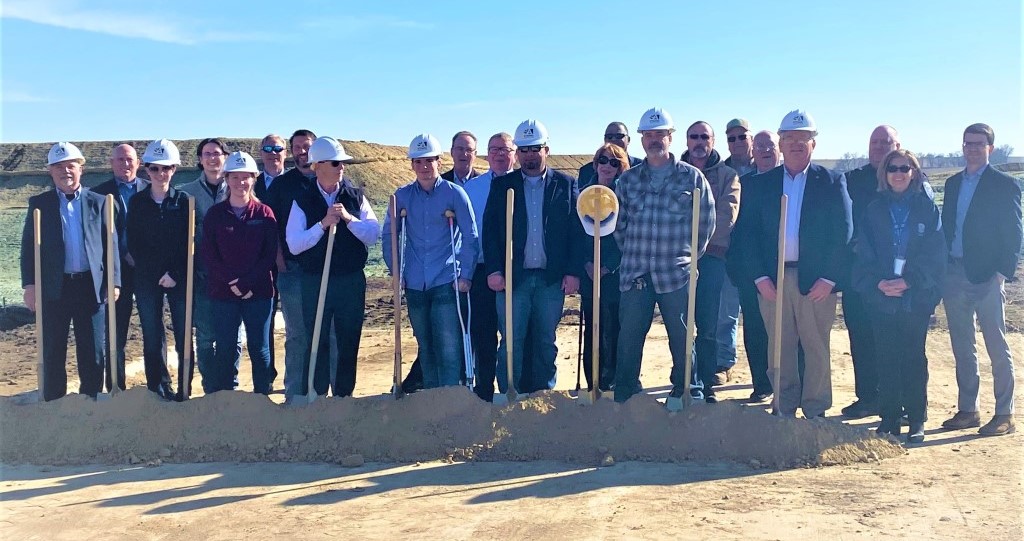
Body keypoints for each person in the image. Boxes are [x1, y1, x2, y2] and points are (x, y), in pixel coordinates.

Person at [739, 110, 853, 419]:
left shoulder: (831, 181)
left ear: (814, 143)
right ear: (780, 143)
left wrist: (829, 278)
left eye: (803, 138)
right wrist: (759, 277)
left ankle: (815, 408)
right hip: (773, 280)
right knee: (779, 347)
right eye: (789, 138)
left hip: (815, 281)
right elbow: (746, 235)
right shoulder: (761, 185)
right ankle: (784, 405)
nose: (796, 144)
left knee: (816, 346)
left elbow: (844, 233)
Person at [612, 108, 715, 406]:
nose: (654, 139)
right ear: (641, 139)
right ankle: (626, 395)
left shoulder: (692, 178)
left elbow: (705, 224)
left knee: (682, 337)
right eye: (649, 134)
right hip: (636, 274)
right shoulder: (627, 180)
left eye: (660, 134)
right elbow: (619, 226)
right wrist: (636, 253)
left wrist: (687, 258)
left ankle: (687, 391)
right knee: (629, 337)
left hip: (676, 274)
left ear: (671, 137)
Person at [483, 119, 584, 395]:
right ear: (518, 152)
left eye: (535, 149)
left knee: (545, 341)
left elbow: (576, 232)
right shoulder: (502, 186)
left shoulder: (566, 185)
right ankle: (509, 393)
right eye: (524, 149)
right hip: (513, 279)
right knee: (511, 341)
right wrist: (494, 270)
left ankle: (544, 396)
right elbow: (490, 232)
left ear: (546, 150)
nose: (530, 155)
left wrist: (573, 271)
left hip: (551, 280)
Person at [851, 149, 944, 443]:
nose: (899, 173)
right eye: (893, 168)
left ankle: (916, 419)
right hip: (882, 297)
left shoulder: (926, 209)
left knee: (913, 358)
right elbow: (863, 252)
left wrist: (909, 281)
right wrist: (878, 283)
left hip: (914, 297)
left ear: (914, 172)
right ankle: (889, 418)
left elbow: (934, 254)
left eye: (905, 168)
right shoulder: (874, 209)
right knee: (886, 357)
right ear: (885, 174)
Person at [20, 142, 120, 401]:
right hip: (55, 287)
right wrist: (29, 285)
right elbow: (28, 247)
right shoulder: (39, 204)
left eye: (70, 166)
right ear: (50, 171)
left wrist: (114, 281)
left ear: (81, 169)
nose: (65, 171)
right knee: (53, 348)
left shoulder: (99, 202)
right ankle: (55, 401)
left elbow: (111, 245)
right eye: (59, 167)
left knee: (93, 349)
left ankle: (91, 399)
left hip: (90, 286)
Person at [940, 123, 1021, 437]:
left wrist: (1001, 273)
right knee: (962, 346)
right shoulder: (952, 184)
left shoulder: (1004, 185)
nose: (972, 148)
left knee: (996, 346)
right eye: (967, 143)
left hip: (987, 276)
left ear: (990, 147)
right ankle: (968, 410)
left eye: (978, 143)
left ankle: (1004, 414)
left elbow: (1014, 233)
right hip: (954, 273)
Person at [286, 136, 380, 398]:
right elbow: (294, 244)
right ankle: (315, 395)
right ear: (318, 165)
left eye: (342, 163)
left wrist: (348, 219)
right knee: (316, 338)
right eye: (336, 163)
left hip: (350, 280)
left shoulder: (355, 196)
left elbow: (373, 234)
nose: (342, 167)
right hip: (315, 280)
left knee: (349, 339)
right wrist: (322, 225)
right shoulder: (302, 199)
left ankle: (343, 396)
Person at [384, 134, 478, 389]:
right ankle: (431, 397)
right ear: (412, 164)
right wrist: (396, 271)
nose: (424, 166)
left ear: (439, 161)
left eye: (429, 161)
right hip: (415, 282)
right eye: (418, 161)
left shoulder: (455, 194)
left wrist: (466, 275)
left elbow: (470, 236)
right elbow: (390, 235)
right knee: (425, 345)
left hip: (446, 280)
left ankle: (449, 397)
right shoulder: (401, 196)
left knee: (448, 346)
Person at [200, 151, 278, 394]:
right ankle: (227, 398)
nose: (240, 182)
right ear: (226, 179)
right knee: (225, 347)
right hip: (223, 293)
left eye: (245, 177)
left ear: (254, 179)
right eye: (234, 177)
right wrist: (233, 282)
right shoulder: (215, 215)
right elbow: (209, 255)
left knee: (259, 348)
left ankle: (262, 397)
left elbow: (269, 255)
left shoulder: (264, 213)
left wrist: (247, 284)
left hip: (259, 293)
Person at [839, 125, 901, 419]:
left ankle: (898, 402)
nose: (878, 147)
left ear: (897, 146)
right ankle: (867, 397)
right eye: (874, 142)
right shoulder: (852, 180)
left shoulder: (906, 179)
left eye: (885, 142)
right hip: (859, 274)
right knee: (861, 336)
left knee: (895, 339)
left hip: (895, 277)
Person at [126, 139, 193, 401]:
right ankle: (158, 387)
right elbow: (134, 243)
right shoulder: (137, 202)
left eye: (166, 168)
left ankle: (184, 389)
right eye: (154, 168)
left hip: (179, 278)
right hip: (147, 278)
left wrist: (174, 274)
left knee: (183, 335)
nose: (160, 173)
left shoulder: (185, 201)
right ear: (146, 169)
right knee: (152, 335)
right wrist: (156, 274)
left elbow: (188, 242)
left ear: (174, 169)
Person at [682, 121, 740, 403]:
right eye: (694, 137)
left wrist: (698, 244)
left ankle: (706, 384)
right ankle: (683, 380)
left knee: (708, 325)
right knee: (680, 324)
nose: (699, 141)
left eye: (704, 137)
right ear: (686, 141)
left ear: (713, 141)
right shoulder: (675, 172)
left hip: (712, 258)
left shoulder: (728, 176)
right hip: (677, 260)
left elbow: (726, 216)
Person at [179, 137, 243, 393]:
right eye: (207, 154)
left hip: (234, 276)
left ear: (225, 157)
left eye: (217, 153)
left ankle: (230, 385)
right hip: (202, 275)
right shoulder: (186, 193)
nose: (212, 158)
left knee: (234, 335)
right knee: (205, 336)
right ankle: (210, 387)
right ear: (199, 159)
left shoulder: (238, 188)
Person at [263, 129, 321, 403]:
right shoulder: (281, 185)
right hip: (292, 270)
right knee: (297, 335)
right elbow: (270, 228)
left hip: (324, 271)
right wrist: (280, 262)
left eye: (306, 146)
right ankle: (294, 394)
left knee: (327, 333)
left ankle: (323, 393)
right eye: (297, 147)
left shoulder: (327, 179)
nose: (302, 152)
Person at [727, 130, 781, 403]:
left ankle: (787, 384)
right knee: (756, 328)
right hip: (750, 270)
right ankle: (762, 383)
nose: (765, 150)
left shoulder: (790, 181)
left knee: (786, 331)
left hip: (785, 268)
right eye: (760, 146)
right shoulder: (743, 184)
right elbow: (739, 231)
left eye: (770, 146)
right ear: (753, 151)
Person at [91, 143, 147, 393]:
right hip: (114, 271)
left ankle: (159, 385)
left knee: (153, 328)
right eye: (120, 160)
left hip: (145, 269)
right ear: (111, 163)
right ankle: (116, 385)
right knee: (115, 331)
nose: (125, 164)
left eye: (130, 159)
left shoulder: (150, 189)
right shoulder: (98, 194)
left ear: (138, 163)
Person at [578, 143, 629, 391]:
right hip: (589, 274)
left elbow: (627, 234)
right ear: (596, 163)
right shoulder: (583, 195)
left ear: (620, 167)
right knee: (593, 329)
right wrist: (587, 263)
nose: (607, 166)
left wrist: (608, 266)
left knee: (614, 329)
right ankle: (593, 382)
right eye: (603, 160)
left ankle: (612, 380)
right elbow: (576, 234)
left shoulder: (625, 197)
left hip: (615, 274)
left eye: (614, 162)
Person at [577, 122, 643, 185]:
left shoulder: (643, 168)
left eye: (619, 136)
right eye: (609, 136)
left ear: (628, 140)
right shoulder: (586, 172)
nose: (613, 139)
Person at [255, 134, 287, 201]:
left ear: (285, 153)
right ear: (260, 153)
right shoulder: (252, 184)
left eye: (278, 149)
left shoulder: (296, 181)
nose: (273, 152)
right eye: (267, 149)